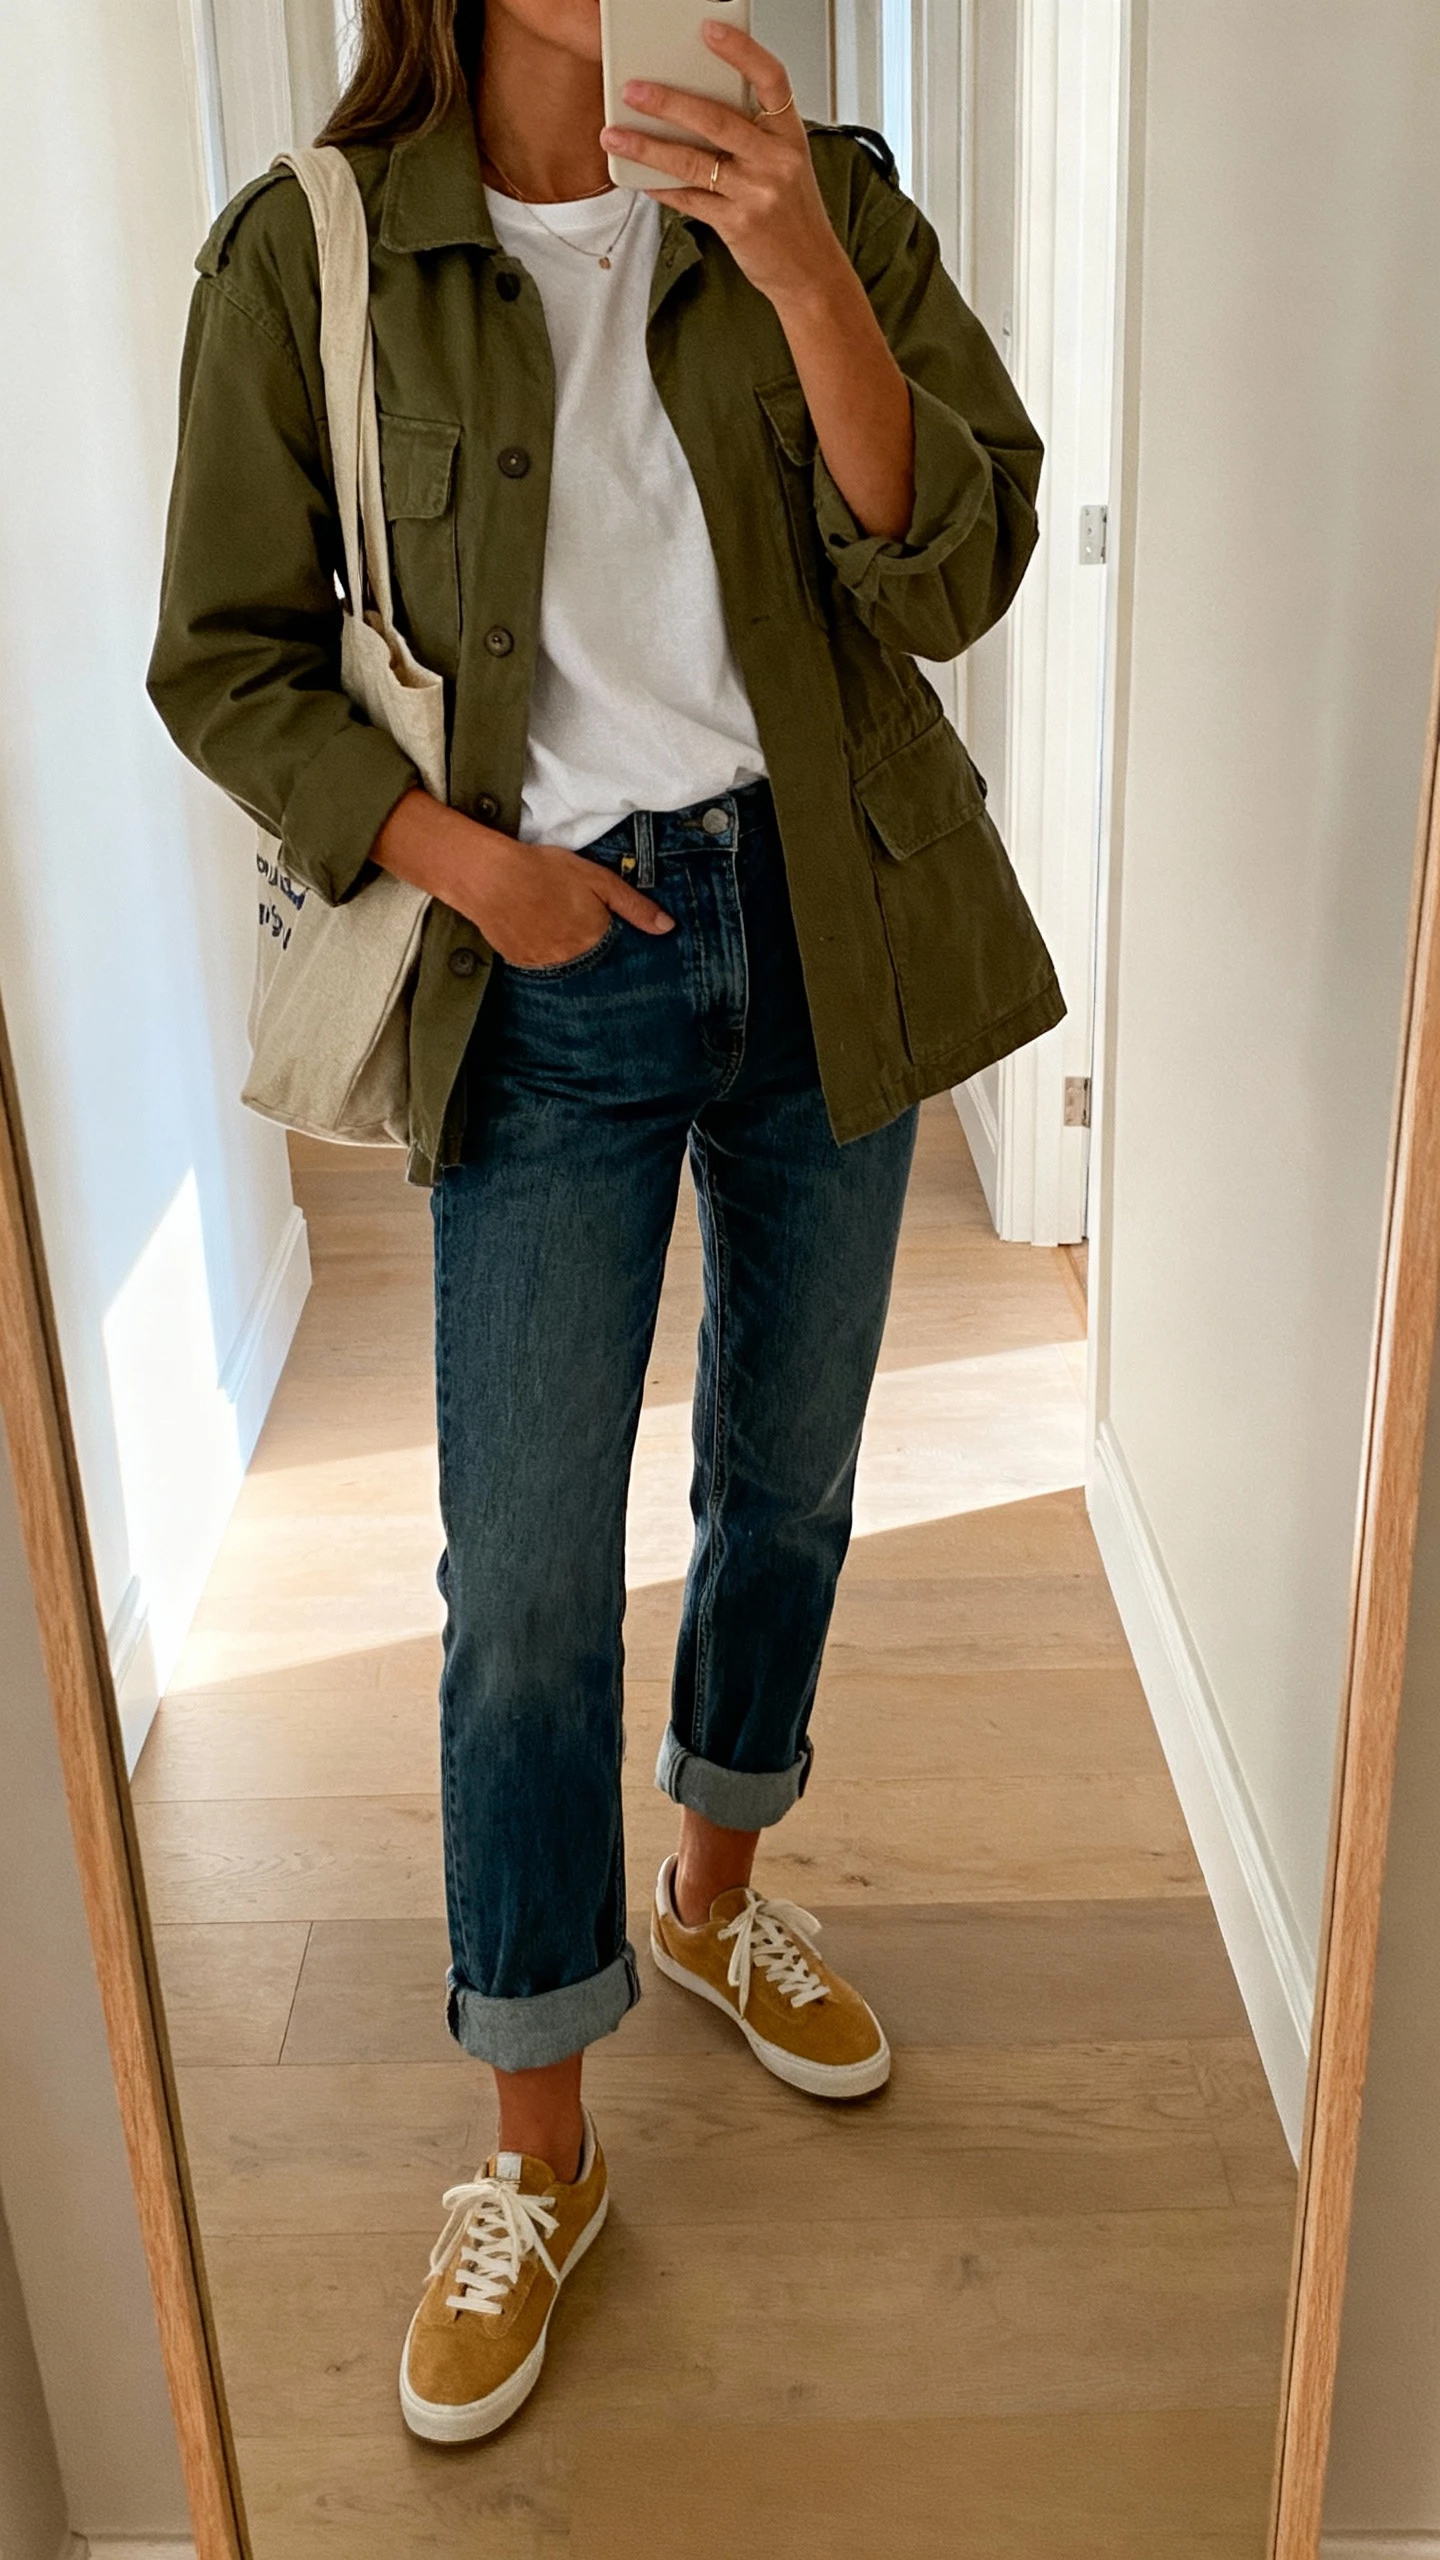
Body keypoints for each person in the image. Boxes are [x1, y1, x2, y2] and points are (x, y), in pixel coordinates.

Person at [148, 0, 1059, 2445]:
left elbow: (950, 564)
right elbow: (225, 656)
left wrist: (803, 276)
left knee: (791, 1481)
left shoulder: (825, 196)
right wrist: (473, 873)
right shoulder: (310, 251)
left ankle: (718, 1900)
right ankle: (537, 2139)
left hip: (827, 921)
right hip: (538, 958)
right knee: (526, 1579)